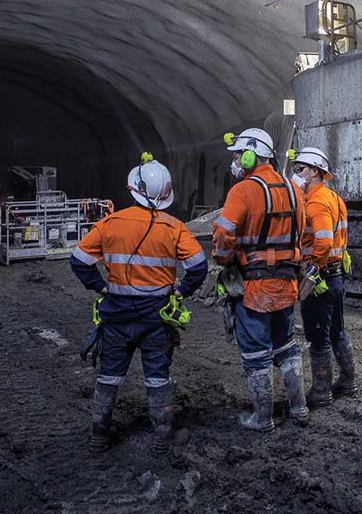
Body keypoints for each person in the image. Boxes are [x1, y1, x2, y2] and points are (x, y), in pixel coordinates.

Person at [70, 155, 207, 454]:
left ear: (134, 189)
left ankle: (99, 435)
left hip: (116, 315)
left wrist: (101, 286)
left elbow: (78, 261)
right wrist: (181, 291)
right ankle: (162, 436)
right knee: (158, 375)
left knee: (109, 374)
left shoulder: (110, 223)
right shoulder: (174, 228)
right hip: (156, 318)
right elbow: (198, 267)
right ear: (166, 193)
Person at [213, 128, 310, 431]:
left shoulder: (243, 190)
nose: (236, 160)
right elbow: (304, 233)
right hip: (287, 282)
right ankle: (299, 407)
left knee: (256, 351)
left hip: (254, 287)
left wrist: (223, 260)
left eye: (239, 154)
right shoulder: (294, 189)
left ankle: (262, 417)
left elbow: (223, 235)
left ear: (252, 155)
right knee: (286, 345)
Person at [291, 147, 356, 407]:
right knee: (337, 331)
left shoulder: (316, 201)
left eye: (300, 170)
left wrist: (311, 270)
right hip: (336, 274)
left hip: (321, 277)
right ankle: (348, 381)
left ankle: (321, 391)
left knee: (318, 336)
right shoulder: (334, 198)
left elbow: (324, 240)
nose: (296, 175)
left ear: (315, 171)